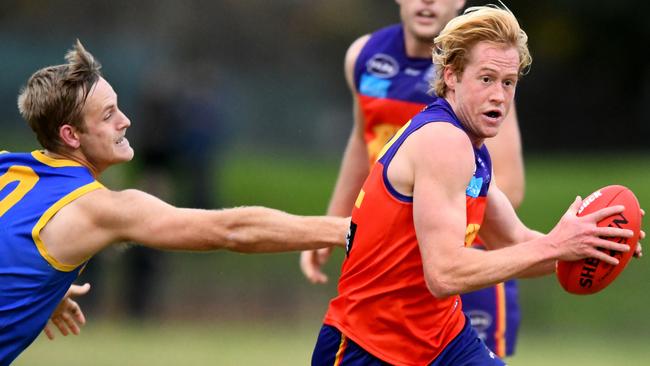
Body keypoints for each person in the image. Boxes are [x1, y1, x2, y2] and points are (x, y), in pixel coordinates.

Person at [310, 5, 641, 365]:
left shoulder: (473, 149)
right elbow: (444, 273)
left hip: (442, 339)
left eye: (508, 82)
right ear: (451, 76)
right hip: (369, 346)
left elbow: (515, 242)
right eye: (486, 79)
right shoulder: (444, 142)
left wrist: (592, 242)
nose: (499, 95)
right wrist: (556, 246)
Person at [0, 40, 349, 366]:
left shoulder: (8, 167)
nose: (126, 121)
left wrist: (34, 284)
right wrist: (347, 229)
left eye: (118, 107)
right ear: (71, 135)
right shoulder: (98, 208)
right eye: (108, 116)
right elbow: (232, 231)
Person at [300, 0, 524, 357]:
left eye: (508, 82)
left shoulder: (486, 81)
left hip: (467, 256)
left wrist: (446, 217)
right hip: (396, 268)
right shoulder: (365, 57)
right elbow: (363, 144)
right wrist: (337, 225)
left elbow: (506, 188)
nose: (428, 1)